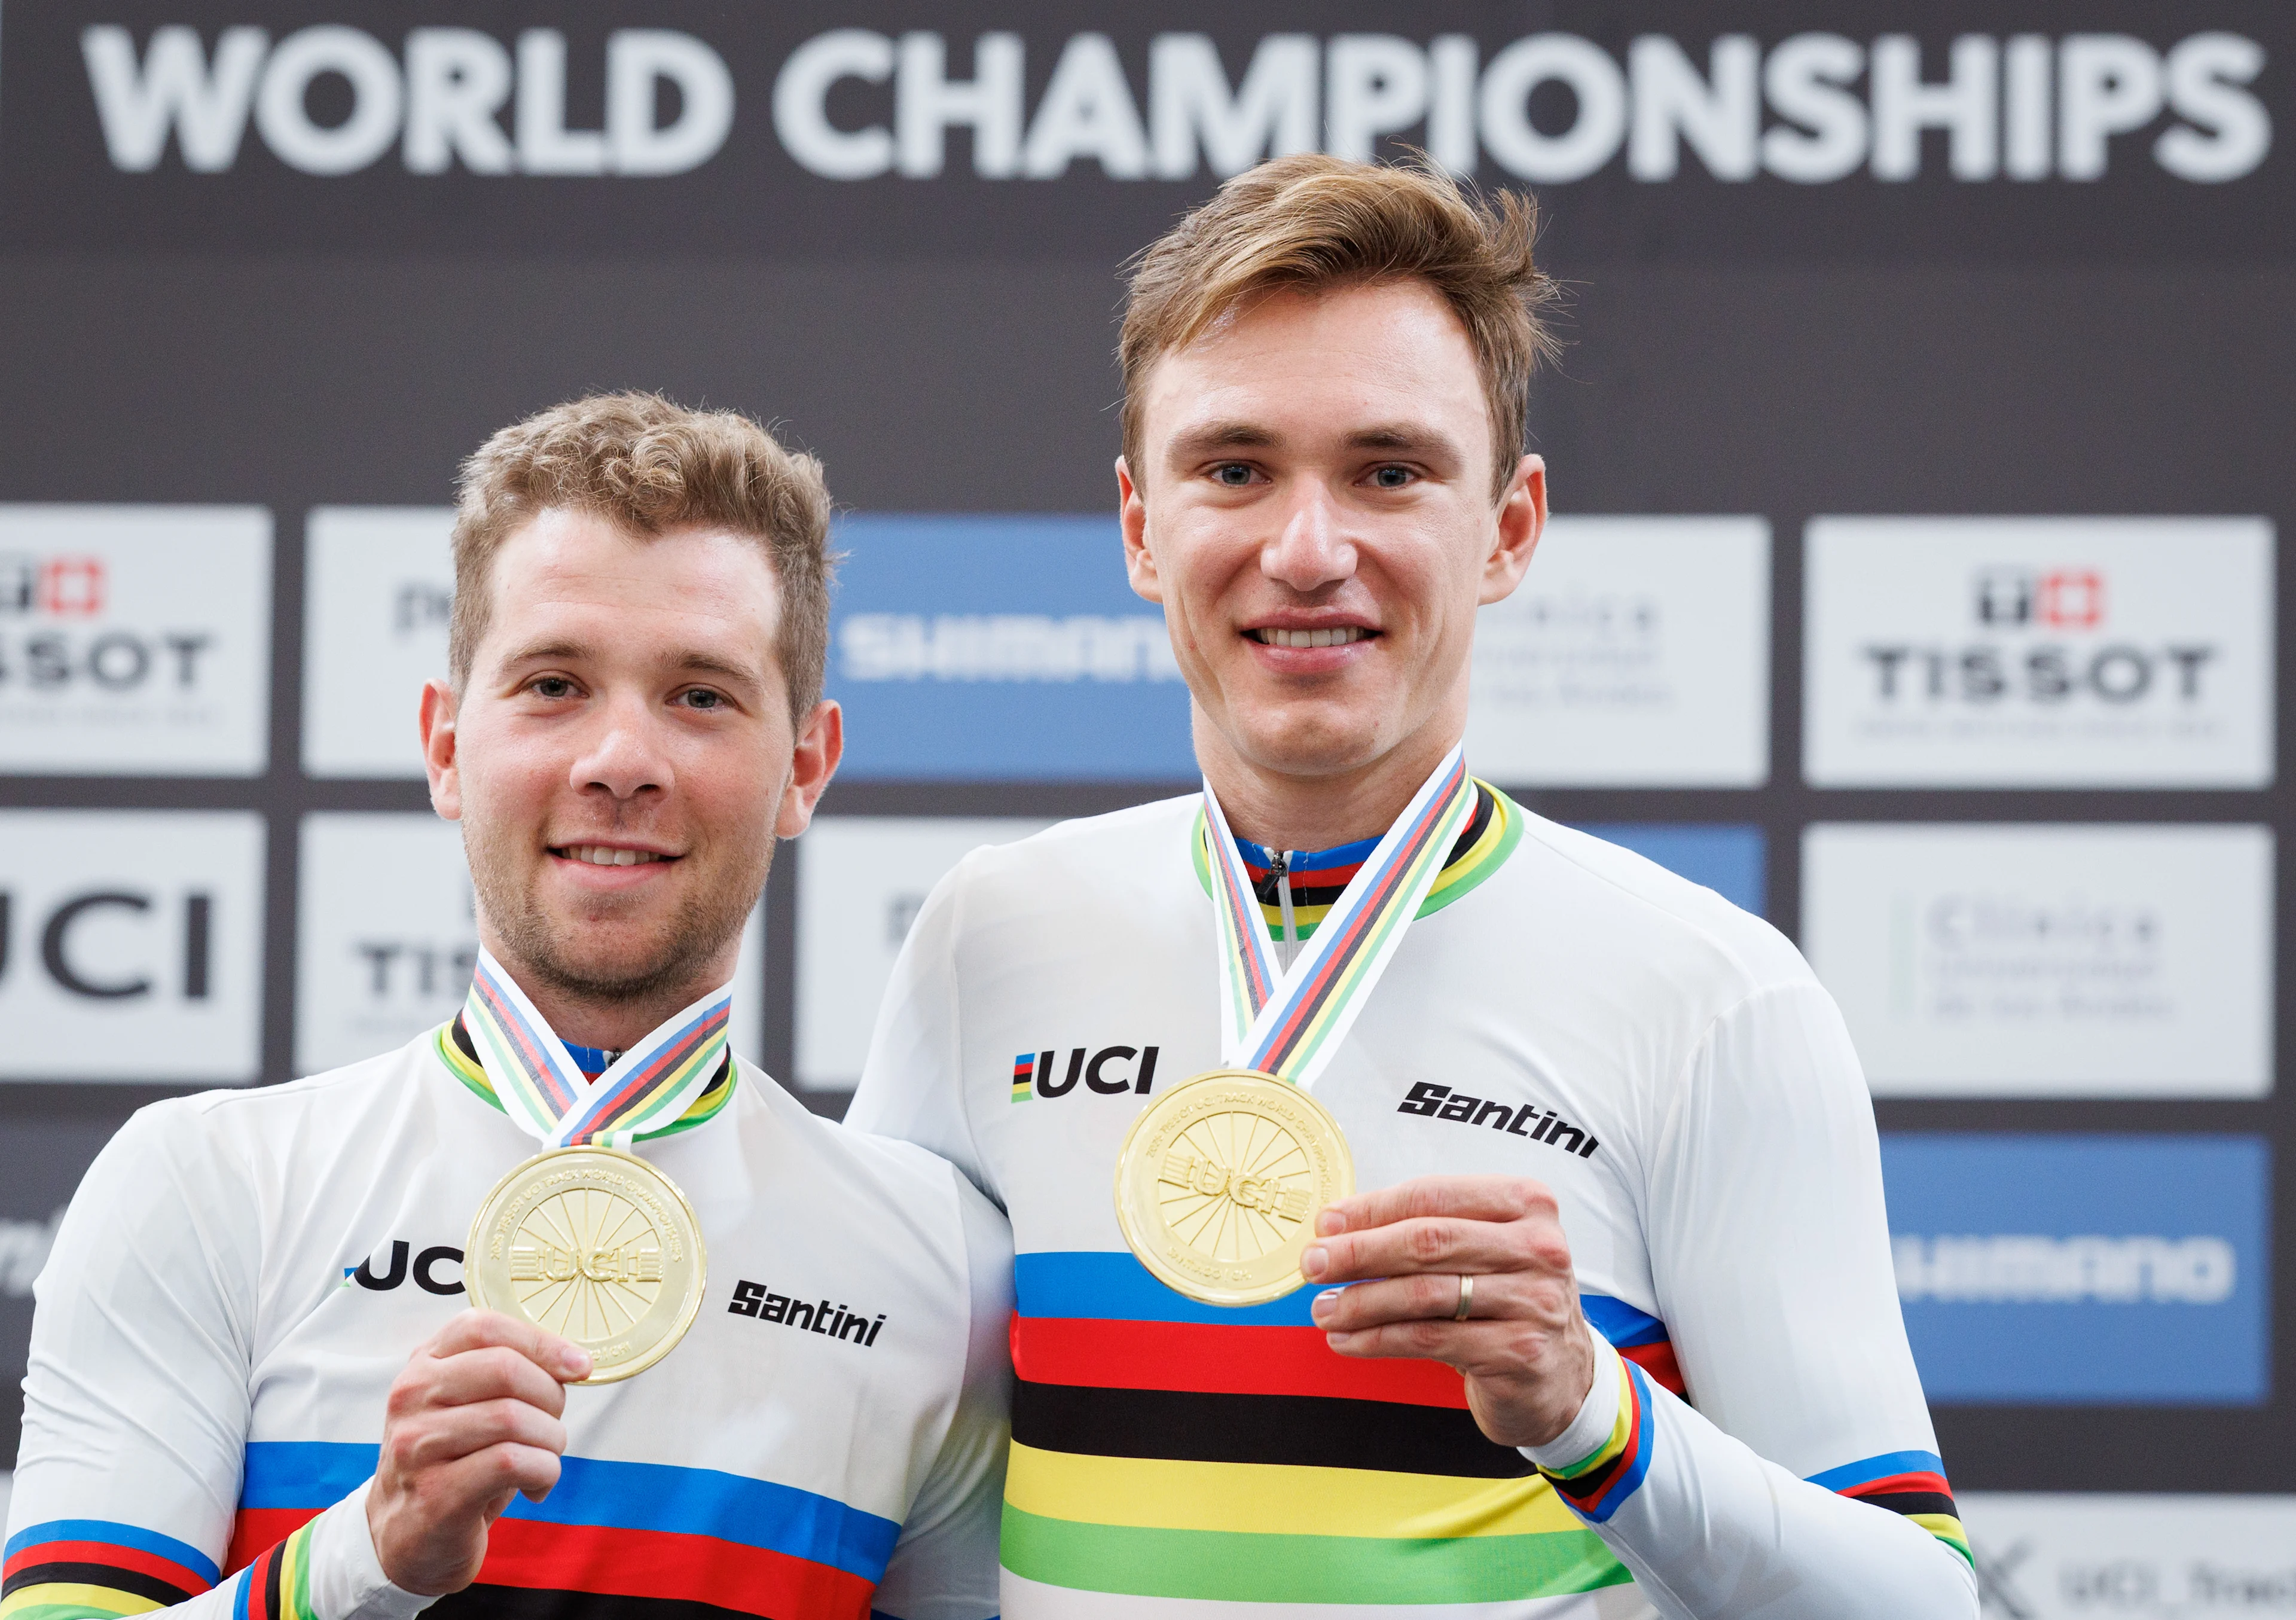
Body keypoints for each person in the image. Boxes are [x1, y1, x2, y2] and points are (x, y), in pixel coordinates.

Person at [845, 157, 1977, 1619]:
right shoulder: (986, 940)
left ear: (1508, 527)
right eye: (1235, 468)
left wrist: (1594, 1411)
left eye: (1390, 470)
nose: (1308, 551)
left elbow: (1916, 1601)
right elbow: (885, 1485)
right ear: (1140, 526)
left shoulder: (1709, 996)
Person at [5, 394, 1008, 1620]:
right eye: (552, 684)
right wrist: (369, 1554)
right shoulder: (211, 1183)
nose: (618, 760)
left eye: (700, 695)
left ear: (805, 765)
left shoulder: (942, 1267)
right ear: (444, 745)